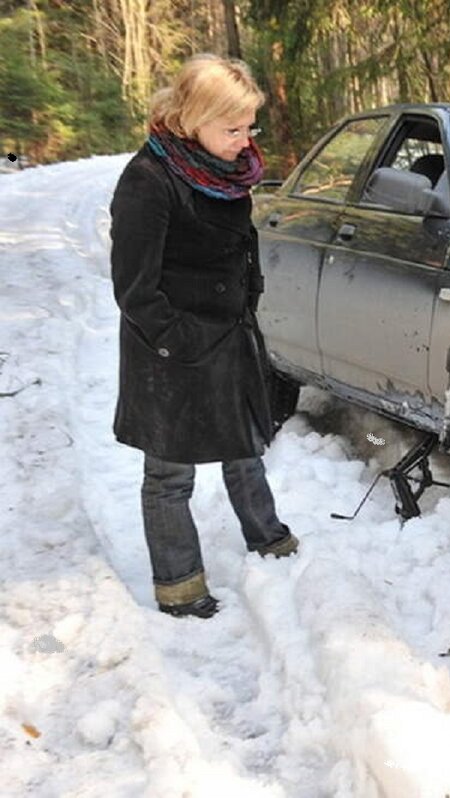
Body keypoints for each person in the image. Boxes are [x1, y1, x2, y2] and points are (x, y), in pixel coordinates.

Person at [110, 54, 298, 619]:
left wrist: (250, 295)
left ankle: (268, 538)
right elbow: (134, 289)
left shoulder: (225, 169)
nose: (245, 141)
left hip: (230, 332)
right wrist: (181, 342)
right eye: (233, 128)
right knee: (169, 473)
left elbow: (239, 245)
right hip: (172, 349)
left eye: (250, 127)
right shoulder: (148, 181)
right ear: (194, 120)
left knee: (244, 445)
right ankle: (179, 585)